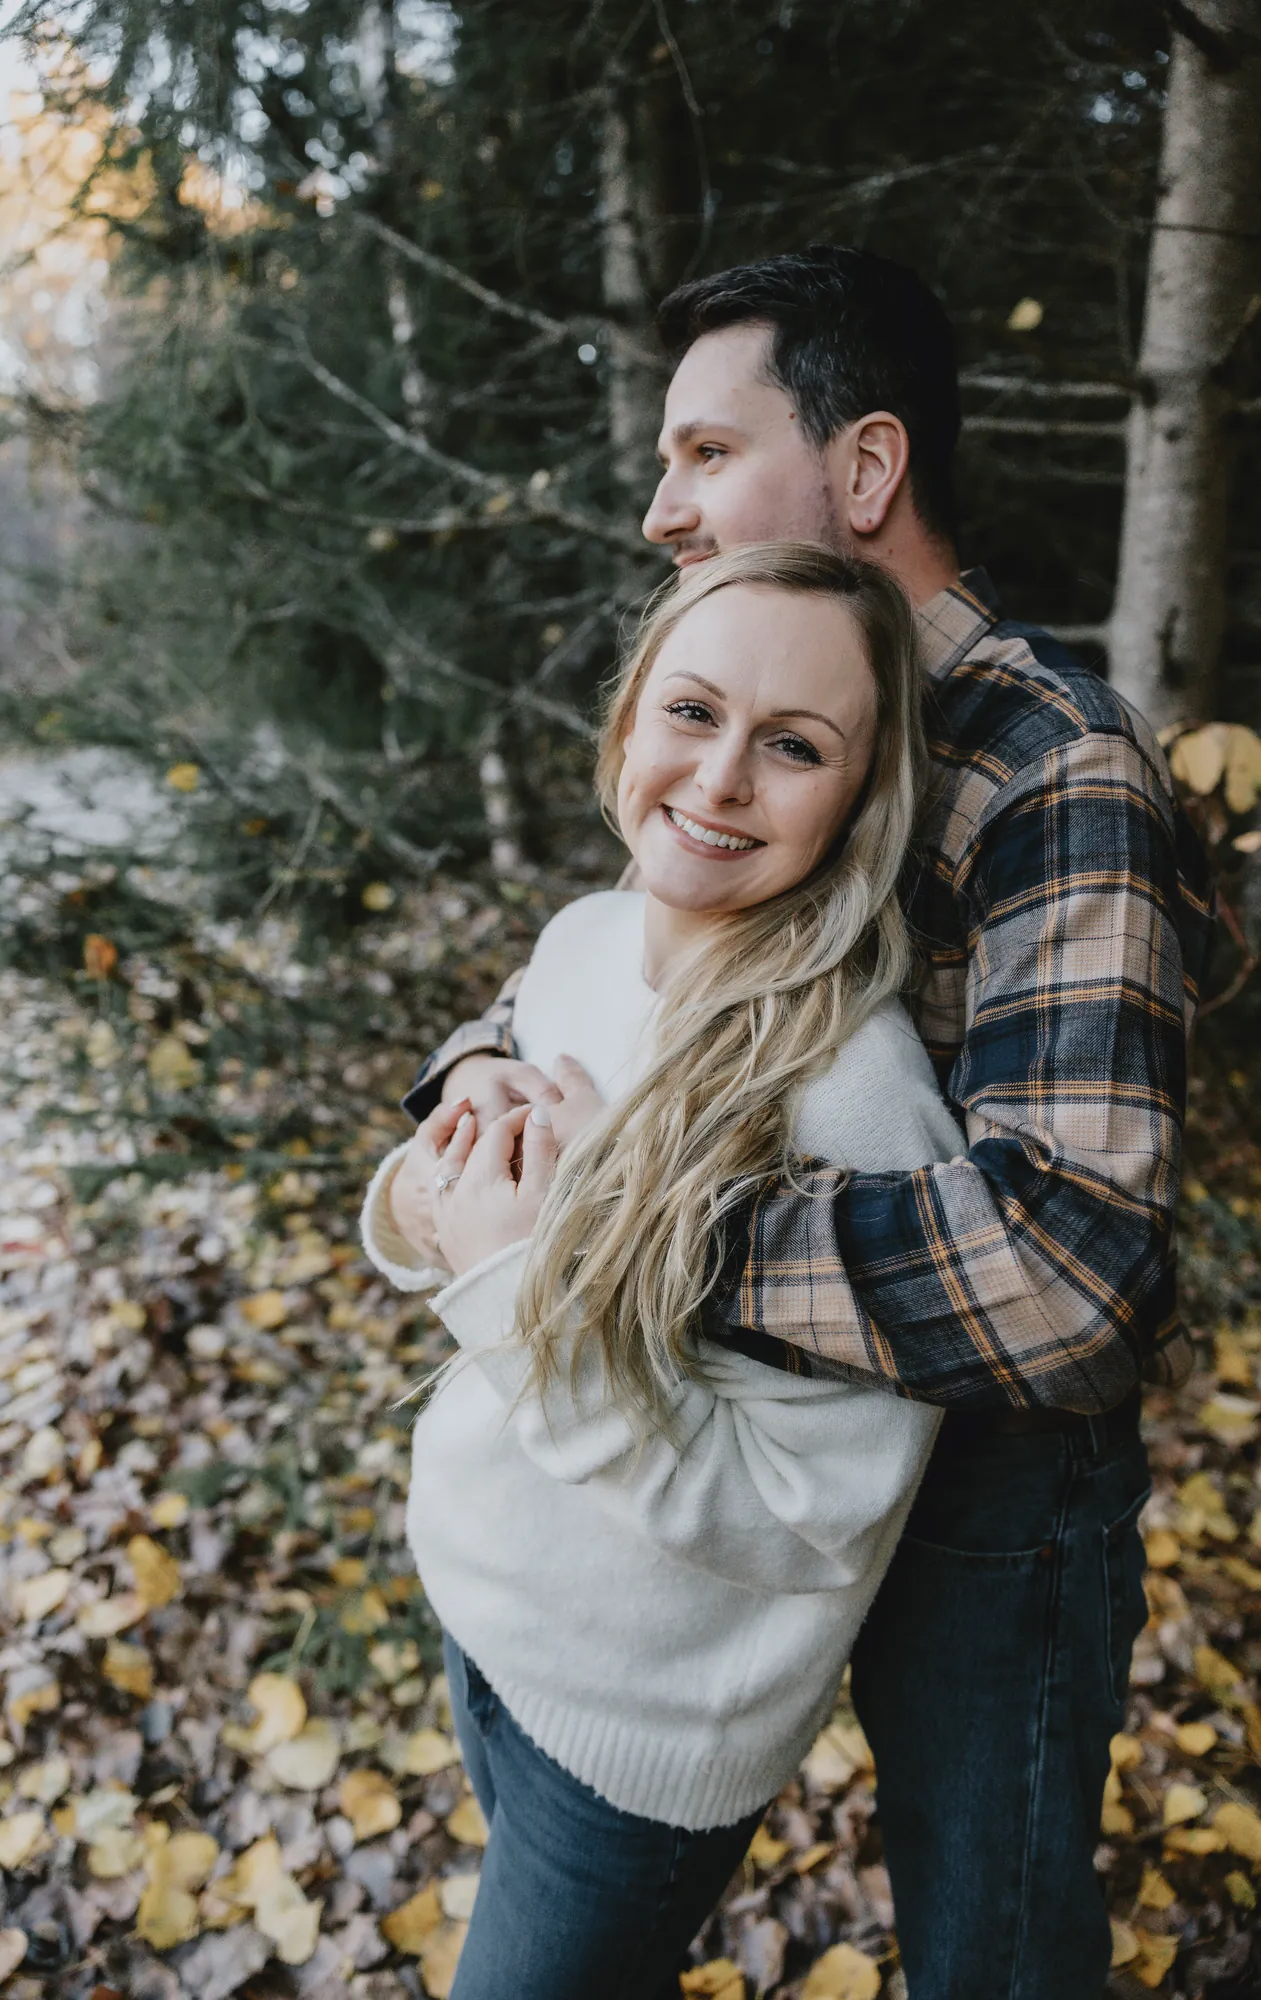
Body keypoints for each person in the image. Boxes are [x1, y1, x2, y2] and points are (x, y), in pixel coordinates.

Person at [388, 247, 1216, 2000]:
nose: (657, 508)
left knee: (988, 1944)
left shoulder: (1053, 768)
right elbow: (632, 958)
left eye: (704, 452)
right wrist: (482, 1078)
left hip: (989, 1477)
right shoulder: (767, 687)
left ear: (864, 471)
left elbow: (1072, 1271)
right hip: (720, 1464)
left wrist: (617, 1217)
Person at [363, 542, 966, 1997]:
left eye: (795, 744)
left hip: (635, 1734)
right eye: (691, 712)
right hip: (486, 1605)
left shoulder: (856, 1099)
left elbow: (802, 1518)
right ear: (628, 720)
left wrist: (516, 1280)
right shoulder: (580, 941)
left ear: (865, 795)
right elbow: (446, 1233)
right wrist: (444, 1189)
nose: (719, 780)